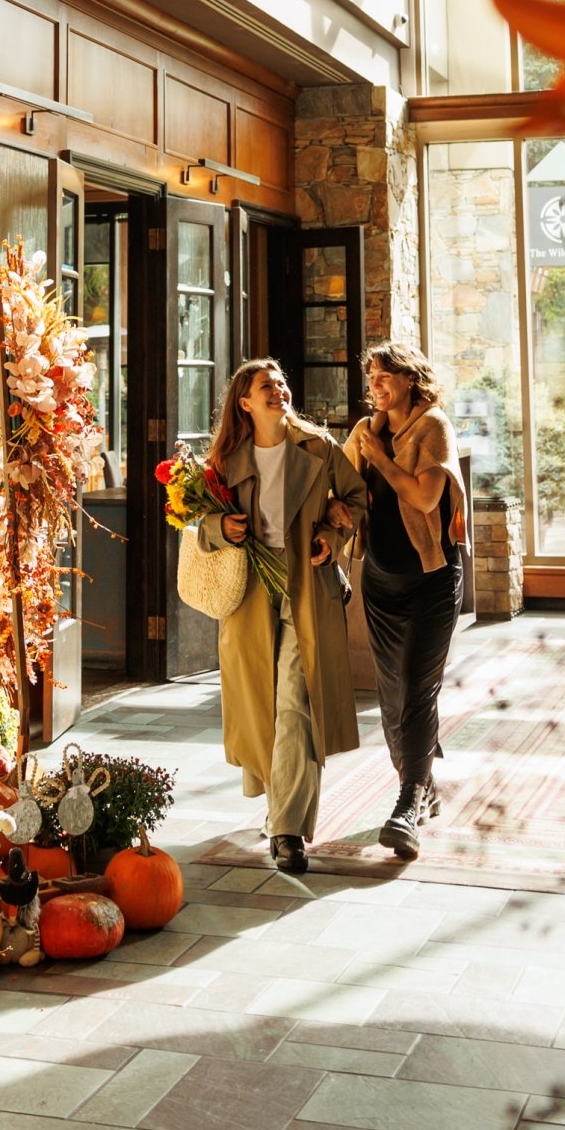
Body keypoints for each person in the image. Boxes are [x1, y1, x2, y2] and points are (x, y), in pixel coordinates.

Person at [199, 359, 367, 876]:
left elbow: (358, 501)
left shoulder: (319, 449)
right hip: (249, 594)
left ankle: (288, 830)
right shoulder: (226, 462)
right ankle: (279, 805)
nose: (280, 390)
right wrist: (218, 527)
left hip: (306, 590)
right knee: (261, 705)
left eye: (282, 383)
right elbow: (196, 523)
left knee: (296, 701)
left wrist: (332, 537)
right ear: (244, 402)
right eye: (266, 386)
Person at [345, 340, 468, 862]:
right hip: (381, 581)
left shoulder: (431, 426)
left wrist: (381, 459)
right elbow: (346, 493)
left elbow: (423, 497)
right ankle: (424, 786)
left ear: (410, 379)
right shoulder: (365, 432)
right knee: (393, 694)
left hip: (431, 581)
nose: (375, 384)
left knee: (418, 687)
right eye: (371, 376)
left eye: (384, 376)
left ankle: (407, 802)